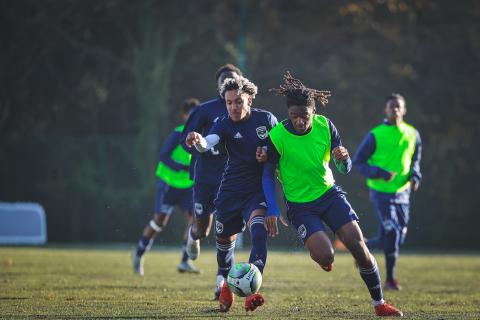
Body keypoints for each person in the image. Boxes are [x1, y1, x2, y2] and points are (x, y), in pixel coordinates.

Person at [260, 71, 404, 317]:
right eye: (294, 116)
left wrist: (344, 159)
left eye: (304, 116)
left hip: (329, 195)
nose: (300, 121)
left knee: (359, 248)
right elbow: (266, 174)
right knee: (326, 255)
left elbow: (343, 168)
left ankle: (379, 303)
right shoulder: (277, 137)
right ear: (288, 114)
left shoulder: (325, 126)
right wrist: (272, 207)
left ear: (313, 112)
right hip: (299, 206)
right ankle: (323, 257)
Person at [185, 74, 283, 312]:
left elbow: (282, 149)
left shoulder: (266, 119)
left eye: (238, 101)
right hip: (229, 191)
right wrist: (198, 141)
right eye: (229, 102)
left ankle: (252, 293)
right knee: (223, 244)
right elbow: (209, 142)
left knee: (258, 234)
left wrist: (269, 155)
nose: (233, 107)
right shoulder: (224, 122)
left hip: (256, 190)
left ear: (249, 99)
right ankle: (226, 286)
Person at [180, 63, 243, 299]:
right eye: (223, 79)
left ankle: (222, 281)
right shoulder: (204, 110)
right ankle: (191, 236)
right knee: (203, 230)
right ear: (218, 85)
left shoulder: (244, 110)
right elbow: (183, 140)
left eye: (232, 78)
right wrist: (194, 140)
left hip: (232, 179)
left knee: (227, 230)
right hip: (205, 179)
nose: (227, 82)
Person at [353, 93, 422, 291]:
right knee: (391, 231)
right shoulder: (375, 134)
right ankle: (391, 280)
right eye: (391, 107)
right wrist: (379, 173)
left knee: (395, 236)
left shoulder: (413, 134)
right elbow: (358, 161)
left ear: (404, 110)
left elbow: (415, 160)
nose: (395, 110)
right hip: (381, 193)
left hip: (403, 194)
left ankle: (361, 246)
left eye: (398, 106)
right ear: (385, 110)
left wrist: (415, 177)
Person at [132, 98, 200, 276]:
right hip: (169, 183)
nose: (195, 118)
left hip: (188, 186)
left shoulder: (202, 136)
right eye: (191, 115)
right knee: (159, 222)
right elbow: (163, 156)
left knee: (194, 220)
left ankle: (185, 262)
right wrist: (183, 168)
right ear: (185, 116)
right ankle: (139, 254)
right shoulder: (178, 134)